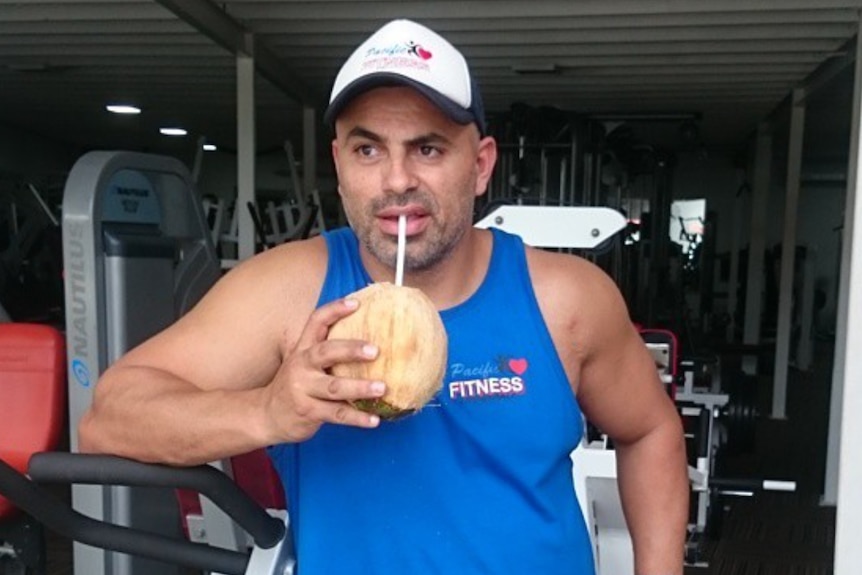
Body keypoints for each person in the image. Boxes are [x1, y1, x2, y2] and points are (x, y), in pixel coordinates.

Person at [79, 18, 688, 575]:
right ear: (339, 164)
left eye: (427, 148)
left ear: (479, 166)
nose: (397, 181)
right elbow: (111, 417)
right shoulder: (289, 292)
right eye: (369, 150)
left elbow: (650, 432)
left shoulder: (566, 298)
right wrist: (266, 410)